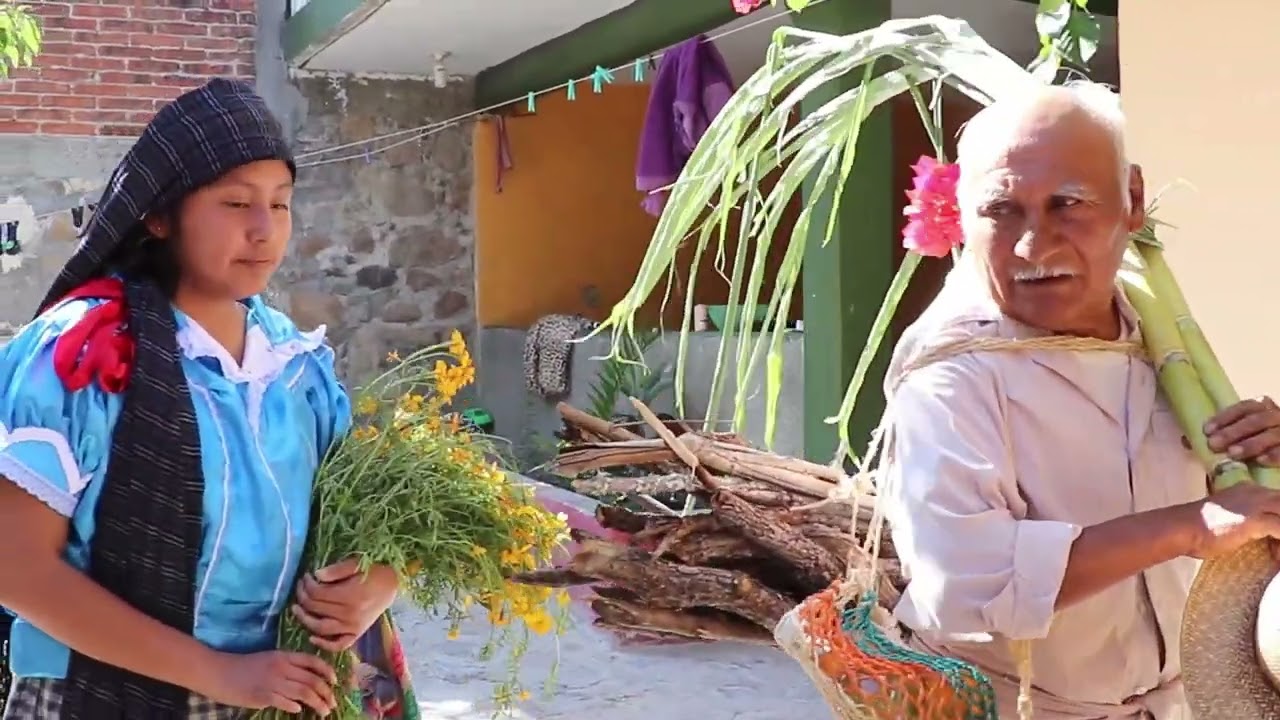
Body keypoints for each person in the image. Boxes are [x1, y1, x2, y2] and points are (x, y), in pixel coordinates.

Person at [0, 79, 401, 718]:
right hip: (99, 695)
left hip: (277, 692)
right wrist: (219, 674)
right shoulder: (85, 355)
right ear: (160, 215)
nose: (265, 230)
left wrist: (374, 586)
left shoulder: (296, 366)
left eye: (282, 204)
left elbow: (369, 525)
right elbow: (16, 568)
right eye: (236, 204)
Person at [881, 80, 1280, 719]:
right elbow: (961, 581)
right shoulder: (948, 374)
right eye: (1001, 210)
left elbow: (1235, 517)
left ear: (1134, 200)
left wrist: (1263, 469)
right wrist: (1188, 527)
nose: (1033, 247)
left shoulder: (1157, 334)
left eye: (1068, 203)